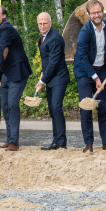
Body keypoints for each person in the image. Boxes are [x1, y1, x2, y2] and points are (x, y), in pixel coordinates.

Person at [74, 0, 106, 153]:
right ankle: (89, 144)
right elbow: (82, 58)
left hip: (101, 69)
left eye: (99, 12)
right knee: (87, 107)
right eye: (93, 13)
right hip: (84, 71)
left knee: (103, 107)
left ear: (102, 11)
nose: (96, 15)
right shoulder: (85, 32)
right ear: (89, 15)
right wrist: (95, 78)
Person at [0, 4, 32, 151]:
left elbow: (1, 50)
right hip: (7, 71)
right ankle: (9, 139)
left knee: (13, 104)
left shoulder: (6, 28)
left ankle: (14, 142)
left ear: (4, 16)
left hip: (18, 71)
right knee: (5, 106)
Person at [35, 12, 70, 150]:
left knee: (56, 108)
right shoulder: (43, 37)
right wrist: (42, 78)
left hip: (59, 78)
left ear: (50, 23)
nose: (42, 26)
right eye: (40, 24)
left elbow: (54, 63)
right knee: (52, 110)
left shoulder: (54, 38)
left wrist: (42, 81)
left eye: (45, 23)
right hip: (50, 78)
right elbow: (47, 62)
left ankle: (61, 142)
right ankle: (56, 141)